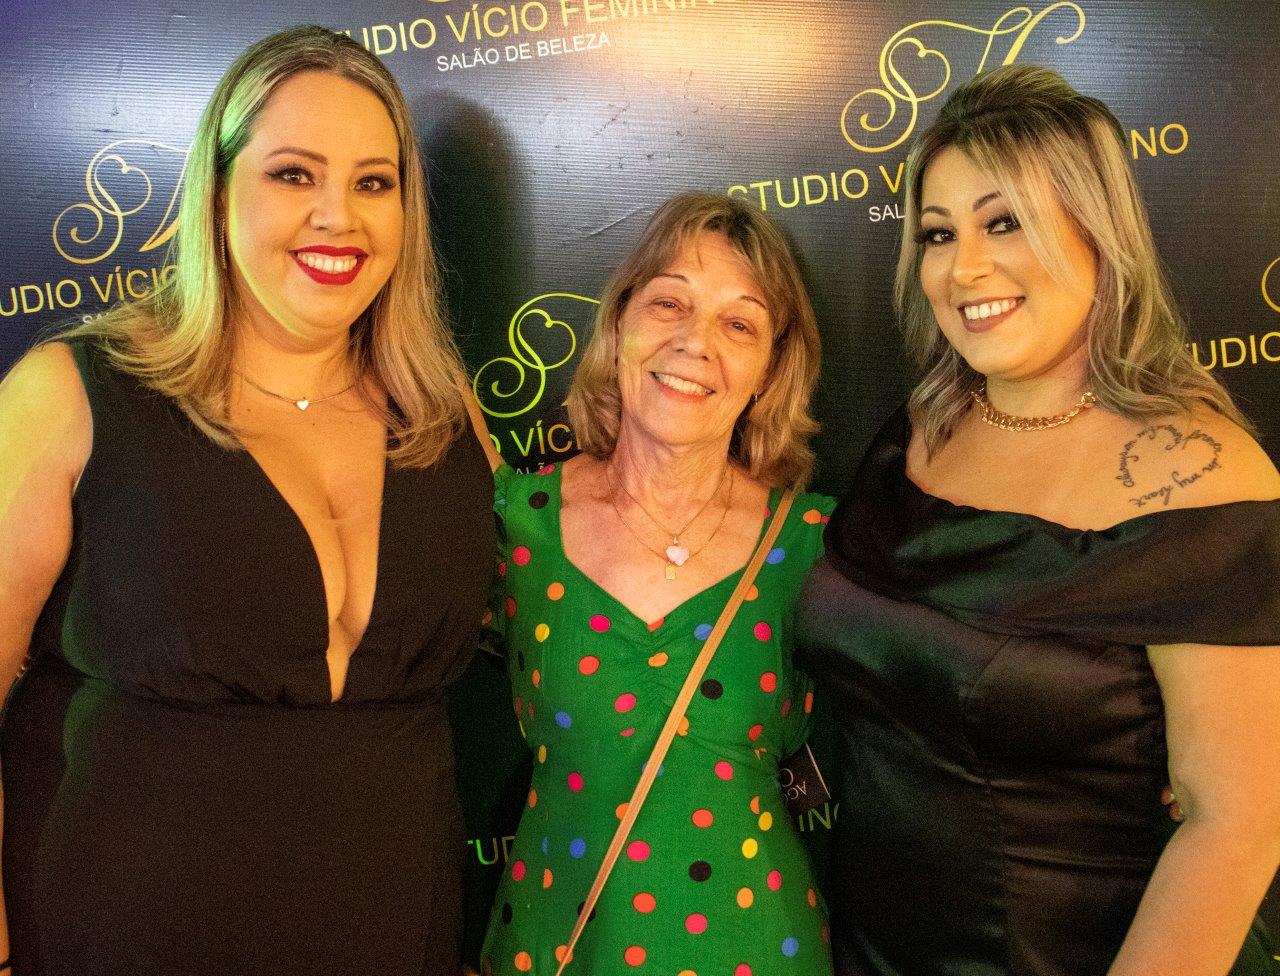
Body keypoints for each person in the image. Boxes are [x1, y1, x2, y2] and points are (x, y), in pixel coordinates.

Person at [0, 25, 493, 975]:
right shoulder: (69, 396)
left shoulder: (445, 419)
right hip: (116, 935)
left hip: (393, 936)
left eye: (374, 183)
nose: (337, 217)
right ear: (218, 189)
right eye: (293, 175)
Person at [798, 64, 1280, 976]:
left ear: (1097, 233)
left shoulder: (1201, 475)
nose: (964, 269)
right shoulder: (918, 431)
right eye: (938, 234)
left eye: (1005, 221)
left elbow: (1237, 823)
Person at [475, 192, 835, 975]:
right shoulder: (517, 522)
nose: (694, 341)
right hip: (554, 945)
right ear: (619, 325)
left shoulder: (816, 546)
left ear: (770, 370)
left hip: (758, 951)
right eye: (669, 302)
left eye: (739, 324)